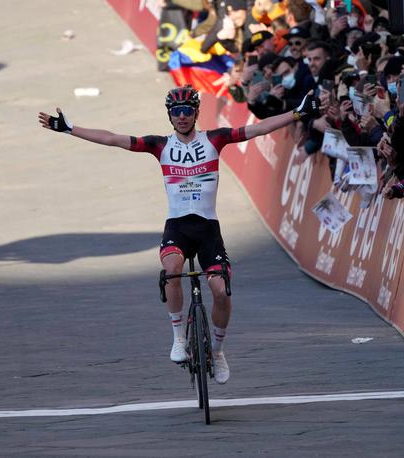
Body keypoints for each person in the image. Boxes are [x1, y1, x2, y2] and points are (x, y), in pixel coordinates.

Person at [38, 85, 319, 384]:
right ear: (170, 115)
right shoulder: (159, 145)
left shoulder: (215, 139)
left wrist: (297, 113)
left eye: (187, 111)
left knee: (221, 291)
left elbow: (258, 129)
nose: (182, 116)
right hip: (178, 227)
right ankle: (178, 339)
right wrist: (69, 128)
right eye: (177, 111)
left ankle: (219, 351)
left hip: (208, 228)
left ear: (196, 113)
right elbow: (113, 139)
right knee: (171, 270)